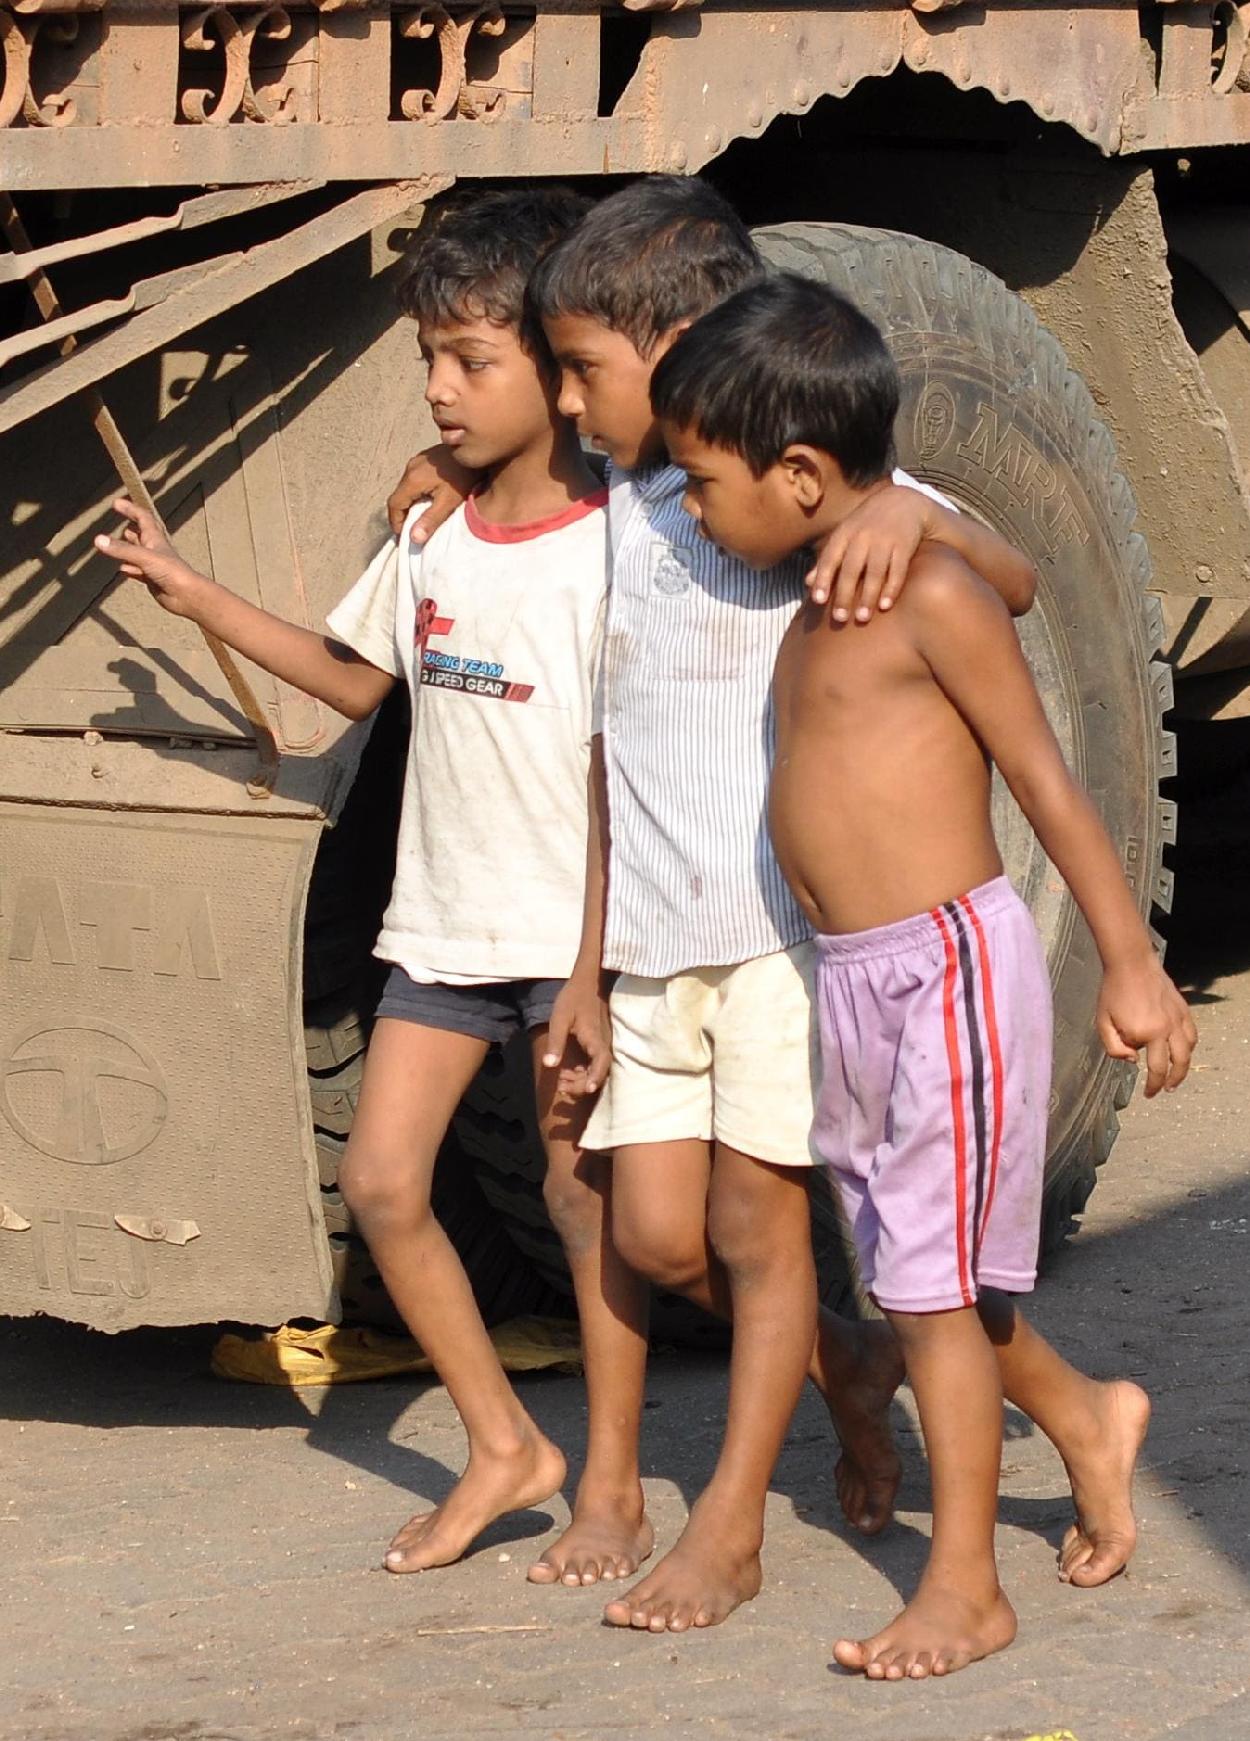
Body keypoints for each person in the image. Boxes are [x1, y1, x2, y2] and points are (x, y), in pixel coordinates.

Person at [386, 175, 1043, 1634]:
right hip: (643, 944)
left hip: (769, 942)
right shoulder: (624, 499)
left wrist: (910, 529)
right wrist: (447, 478)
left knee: (756, 1236)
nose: (563, 398)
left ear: (687, 348)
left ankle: (732, 1528)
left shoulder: (770, 496)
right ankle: (881, 1370)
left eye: (583, 371)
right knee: (664, 1242)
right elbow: (612, 743)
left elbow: (1012, 570)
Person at [93, 186, 652, 1581]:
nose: (439, 390)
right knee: (388, 1186)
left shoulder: (611, 549)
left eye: (473, 362)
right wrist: (189, 591)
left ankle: (620, 1487)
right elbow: (354, 680)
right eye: (428, 360)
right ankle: (505, 1444)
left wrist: (588, 971)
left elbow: (609, 773)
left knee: (587, 1206)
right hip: (443, 931)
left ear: (558, 368)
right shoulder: (430, 538)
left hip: (568, 939)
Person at [649, 268, 1196, 1677]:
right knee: (912, 1271)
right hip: (852, 979)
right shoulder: (823, 576)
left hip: (942, 973)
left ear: (803, 473)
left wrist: (1129, 963)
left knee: (927, 1292)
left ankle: (965, 1583)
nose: (690, 509)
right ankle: (1084, 1416)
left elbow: (1048, 782)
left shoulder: (921, 583)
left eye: (703, 481)